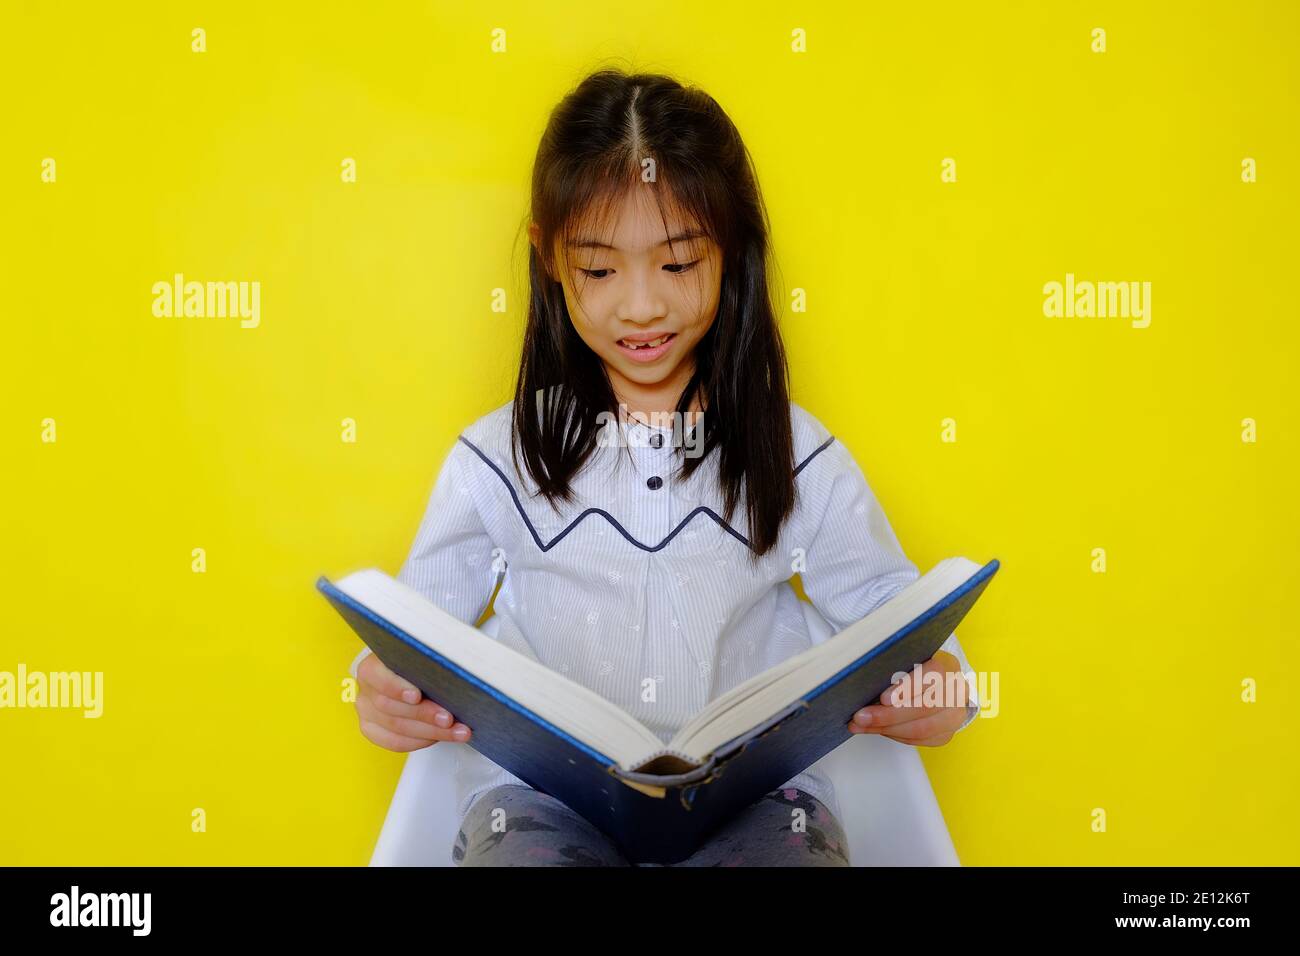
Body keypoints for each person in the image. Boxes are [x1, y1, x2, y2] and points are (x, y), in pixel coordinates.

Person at [351, 67, 980, 867]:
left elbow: (892, 613)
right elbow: (410, 636)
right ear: (549, 258)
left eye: (679, 265)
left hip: (761, 804)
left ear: (731, 248)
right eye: (600, 269)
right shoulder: (495, 459)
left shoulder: (796, 452)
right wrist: (382, 687)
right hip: (539, 805)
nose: (641, 306)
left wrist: (942, 685)